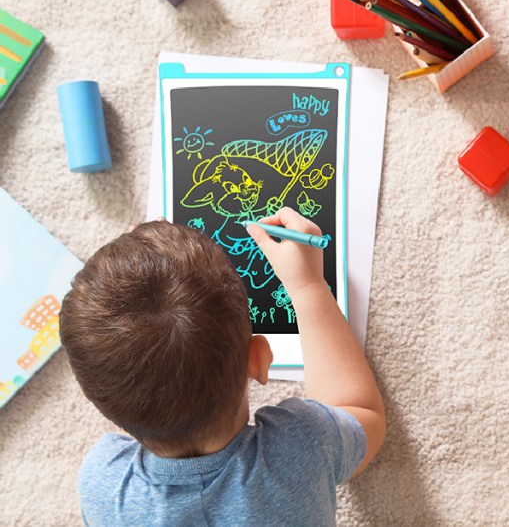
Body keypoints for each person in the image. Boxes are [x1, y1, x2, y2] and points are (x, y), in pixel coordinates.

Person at [61, 208, 386, 526]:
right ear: (259, 359)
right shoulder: (300, 447)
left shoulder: (102, 485)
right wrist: (308, 287)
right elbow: (362, 413)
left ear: (95, 395)